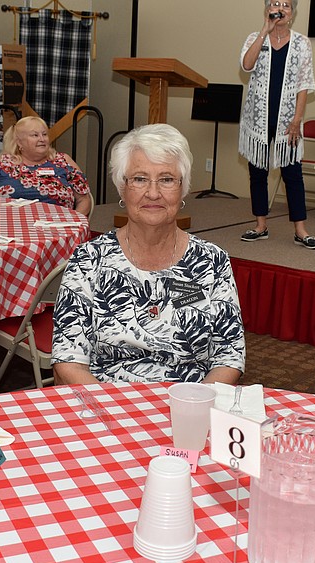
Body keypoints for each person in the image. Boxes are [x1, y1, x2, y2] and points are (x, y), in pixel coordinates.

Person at [52, 124, 245, 385]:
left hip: (190, 402)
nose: (153, 193)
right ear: (122, 188)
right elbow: (69, 357)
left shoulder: (212, 261)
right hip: (108, 402)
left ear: (183, 189)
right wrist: (115, 413)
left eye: (166, 179)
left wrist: (193, 405)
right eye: (140, 179)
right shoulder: (89, 260)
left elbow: (229, 356)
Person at [238, 0, 315, 249]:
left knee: (292, 173)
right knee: (257, 172)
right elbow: (246, 65)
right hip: (258, 117)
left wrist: (297, 120)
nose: (281, 8)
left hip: (287, 120)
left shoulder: (302, 43)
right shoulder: (255, 37)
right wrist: (264, 31)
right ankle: (260, 225)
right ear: (267, 10)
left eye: (286, 5)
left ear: (292, 13)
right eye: (275, 3)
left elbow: (304, 85)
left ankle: (300, 230)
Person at [0, 116, 91, 215]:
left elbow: (84, 200)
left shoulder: (63, 161)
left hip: (58, 226)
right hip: (8, 226)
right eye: (35, 135)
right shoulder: (3, 163)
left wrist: (73, 222)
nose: (42, 139)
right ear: (19, 142)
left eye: (44, 134)